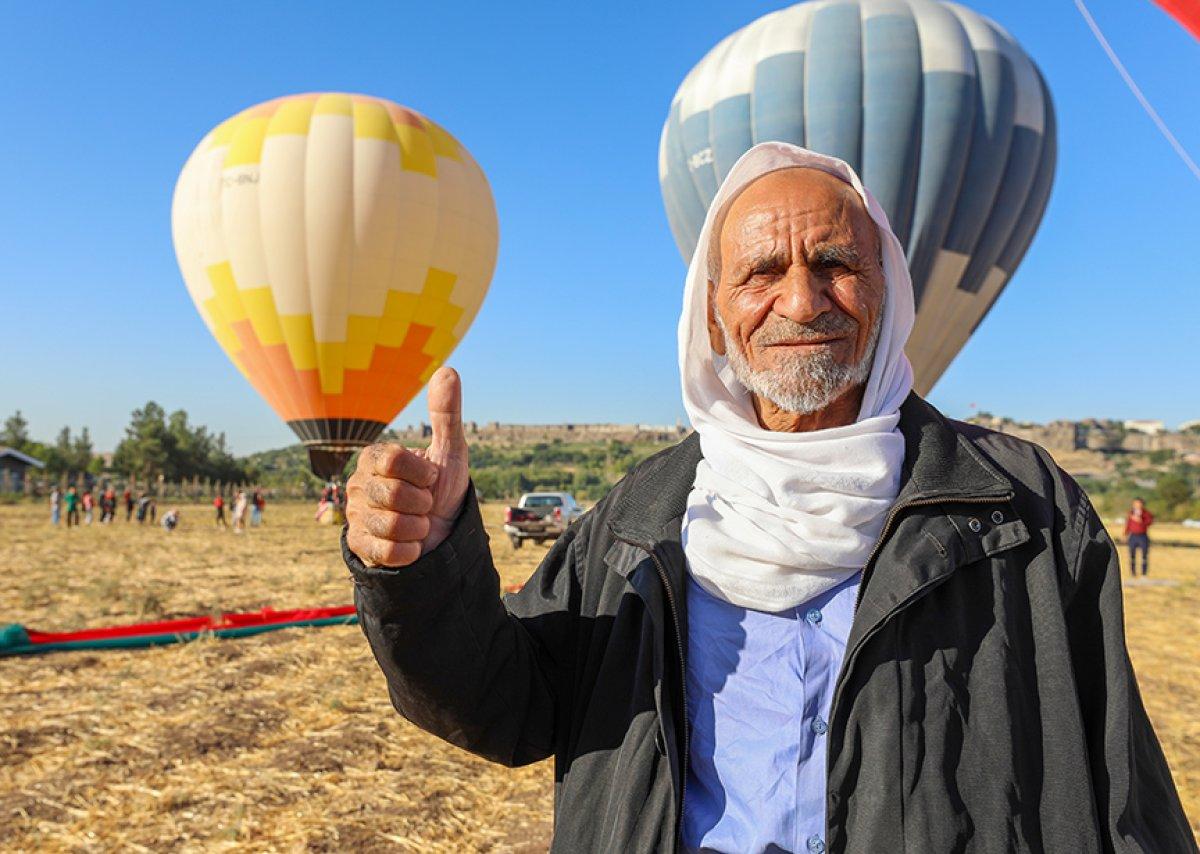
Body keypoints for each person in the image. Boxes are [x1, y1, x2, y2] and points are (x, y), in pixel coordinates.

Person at [342, 143, 1193, 852]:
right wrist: (423, 564)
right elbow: (502, 704)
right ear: (713, 316)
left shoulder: (1021, 513)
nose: (801, 299)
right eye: (761, 273)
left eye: (834, 264)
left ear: (888, 290)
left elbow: (1121, 783)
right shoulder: (639, 522)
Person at [1124, 497, 1154, 576]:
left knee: (1144, 555)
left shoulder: (1146, 514)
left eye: (1138, 503)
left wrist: (1140, 520)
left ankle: (1144, 573)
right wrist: (1125, 534)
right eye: (1135, 504)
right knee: (1132, 555)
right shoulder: (1130, 513)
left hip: (1142, 536)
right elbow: (1128, 525)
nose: (1137, 505)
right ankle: (1133, 573)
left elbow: (1149, 522)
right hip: (1133, 536)